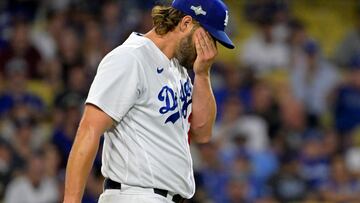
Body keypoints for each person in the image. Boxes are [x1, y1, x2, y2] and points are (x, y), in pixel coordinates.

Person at [63, 0, 234, 202]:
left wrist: (203, 74)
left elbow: (202, 133)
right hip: (136, 194)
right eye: (209, 37)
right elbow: (89, 130)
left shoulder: (179, 70)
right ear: (186, 23)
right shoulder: (131, 58)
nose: (211, 49)